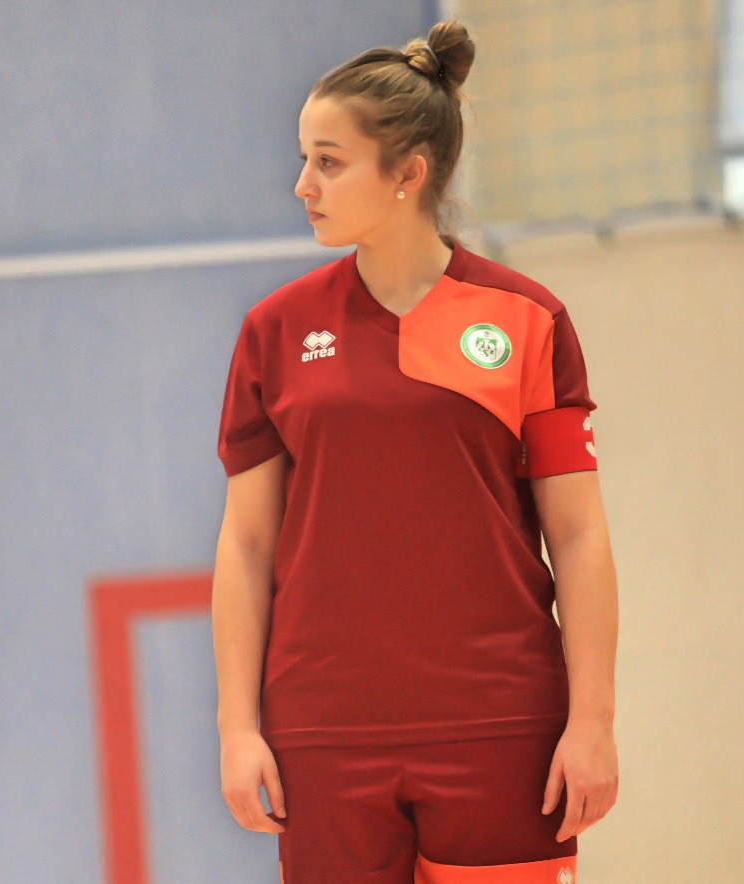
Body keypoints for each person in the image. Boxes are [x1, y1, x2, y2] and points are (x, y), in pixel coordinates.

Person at [212, 20, 618, 884]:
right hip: (323, 734)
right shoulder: (273, 332)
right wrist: (236, 727)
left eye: (328, 162)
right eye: (304, 159)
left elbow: (578, 536)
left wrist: (592, 723)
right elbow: (246, 544)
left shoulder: (529, 320)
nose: (302, 185)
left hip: (501, 727)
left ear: (408, 173)